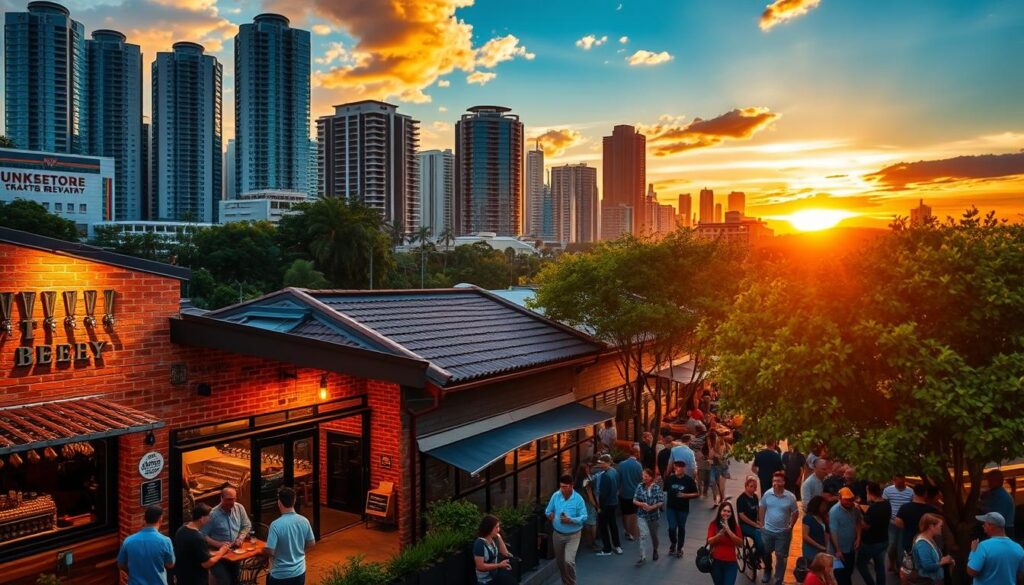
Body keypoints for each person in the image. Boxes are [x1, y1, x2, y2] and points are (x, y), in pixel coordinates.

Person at [201, 485, 253, 585]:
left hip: (234, 552)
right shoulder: (212, 514)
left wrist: (240, 537)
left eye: (233, 499)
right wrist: (218, 544)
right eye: (229, 500)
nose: (231, 502)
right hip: (217, 554)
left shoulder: (239, 508)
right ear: (221, 498)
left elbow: (246, 525)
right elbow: (203, 535)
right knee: (225, 581)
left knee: (235, 579)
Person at [263, 487, 315, 585]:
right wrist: (298, 551)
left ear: (279, 502)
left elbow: (270, 550)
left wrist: (262, 550)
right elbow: (311, 543)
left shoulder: (275, 525)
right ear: (294, 501)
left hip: (280, 575)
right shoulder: (304, 521)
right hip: (299, 571)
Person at [545, 473, 588, 585]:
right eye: (561, 486)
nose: (562, 489)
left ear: (571, 486)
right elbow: (548, 510)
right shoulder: (556, 495)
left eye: (565, 487)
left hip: (573, 535)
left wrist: (571, 520)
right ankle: (566, 583)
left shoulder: (578, 499)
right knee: (560, 563)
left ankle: (572, 583)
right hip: (557, 534)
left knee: (568, 561)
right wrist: (550, 515)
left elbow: (584, 516)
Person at [117, 505, 175, 585]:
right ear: (160, 519)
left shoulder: (128, 541)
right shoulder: (165, 541)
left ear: (144, 520)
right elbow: (170, 564)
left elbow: (120, 564)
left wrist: (131, 573)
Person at [173, 503, 230, 585]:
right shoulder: (198, 537)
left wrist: (213, 553)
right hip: (196, 580)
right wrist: (221, 552)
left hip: (182, 578)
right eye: (209, 516)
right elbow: (206, 564)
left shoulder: (181, 530)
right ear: (202, 518)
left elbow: (192, 553)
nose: (210, 518)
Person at [759, 471, 799, 585]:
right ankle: (767, 570)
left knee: (781, 557)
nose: (776, 483)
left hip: (783, 533)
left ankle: (778, 578)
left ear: (784, 482)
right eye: (774, 480)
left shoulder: (790, 497)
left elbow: (795, 512)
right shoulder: (767, 494)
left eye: (778, 481)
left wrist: (791, 526)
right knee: (766, 553)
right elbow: (762, 508)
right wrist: (762, 525)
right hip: (768, 530)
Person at [968, 511, 1024, 584]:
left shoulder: (983, 546)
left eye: (985, 524)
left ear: (991, 526)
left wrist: (973, 552)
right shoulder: (1018, 548)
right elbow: (1021, 575)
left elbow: (971, 572)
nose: (983, 526)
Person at [856, 482, 891, 585]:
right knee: (879, 566)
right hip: (883, 540)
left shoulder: (874, 508)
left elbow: (865, 526)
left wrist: (859, 513)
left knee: (861, 564)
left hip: (871, 543)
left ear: (869, 492)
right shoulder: (886, 504)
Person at [663, 459, 699, 558]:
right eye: (675, 467)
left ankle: (680, 548)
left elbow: (696, 493)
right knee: (672, 528)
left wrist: (685, 495)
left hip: (683, 508)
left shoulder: (689, 480)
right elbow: (664, 490)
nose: (676, 469)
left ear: (683, 468)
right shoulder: (670, 479)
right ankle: (673, 542)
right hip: (671, 507)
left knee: (681, 527)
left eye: (678, 467)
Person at [829, 487, 862, 585]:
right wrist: (838, 550)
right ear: (840, 498)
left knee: (848, 573)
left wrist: (858, 538)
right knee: (839, 575)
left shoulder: (854, 509)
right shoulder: (834, 511)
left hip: (850, 548)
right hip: (838, 551)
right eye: (846, 500)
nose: (849, 502)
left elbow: (858, 522)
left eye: (851, 500)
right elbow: (833, 532)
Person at [909, 513, 953, 585]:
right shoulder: (922, 544)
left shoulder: (930, 538)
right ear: (931, 526)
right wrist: (943, 562)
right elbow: (927, 566)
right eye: (940, 526)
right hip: (928, 581)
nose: (941, 529)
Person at [632, 468, 665, 565]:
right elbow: (634, 500)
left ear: (651, 477)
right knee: (643, 535)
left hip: (653, 516)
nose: (644, 478)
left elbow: (661, 501)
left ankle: (655, 550)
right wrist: (642, 504)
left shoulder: (656, 488)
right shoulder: (640, 486)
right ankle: (642, 556)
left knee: (654, 535)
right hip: (642, 515)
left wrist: (652, 507)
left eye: (646, 476)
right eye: (643, 476)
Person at [707, 501, 743, 585]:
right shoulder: (713, 524)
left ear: (731, 513)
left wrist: (728, 530)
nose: (726, 513)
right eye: (724, 510)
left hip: (731, 563)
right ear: (720, 512)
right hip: (716, 562)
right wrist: (719, 534)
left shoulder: (735, 526)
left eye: (728, 511)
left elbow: (740, 544)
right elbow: (709, 541)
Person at [896, 483, 937, 556]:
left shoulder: (905, 507)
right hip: (926, 541)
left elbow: (898, 522)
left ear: (914, 493)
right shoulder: (931, 509)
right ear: (925, 494)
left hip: (909, 540)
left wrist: (906, 526)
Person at [882, 474, 913, 571]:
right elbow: (885, 505)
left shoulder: (910, 491)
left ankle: (900, 567)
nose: (900, 483)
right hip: (892, 523)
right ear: (894, 480)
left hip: (904, 523)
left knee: (901, 547)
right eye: (898, 482)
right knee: (891, 545)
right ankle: (892, 561)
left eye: (902, 481)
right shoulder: (888, 491)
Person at [473, 514, 515, 585]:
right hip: (485, 581)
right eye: (496, 527)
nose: (498, 529)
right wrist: (499, 565)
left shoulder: (494, 539)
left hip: (495, 577)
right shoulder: (479, 543)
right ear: (489, 528)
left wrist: (499, 537)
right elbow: (480, 566)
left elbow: (505, 553)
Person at [594, 454, 623, 556]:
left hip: (606, 505)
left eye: (602, 463)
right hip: (614, 502)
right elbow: (618, 486)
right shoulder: (614, 471)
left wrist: (599, 507)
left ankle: (607, 549)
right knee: (613, 524)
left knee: (603, 527)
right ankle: (617, 545)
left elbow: (603, 495)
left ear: (608, 463)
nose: (600, 465)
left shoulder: (605, 476)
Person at [736, 476, 765, 563]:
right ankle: (755, 557)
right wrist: (755, 524)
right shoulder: (741, 499)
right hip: (745, 525)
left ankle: (755, 555)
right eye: (751, 486)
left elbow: (758, 509)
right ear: (746, 486)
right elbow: (742, 516)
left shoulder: (755, 497)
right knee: (759, 537)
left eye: (755, 487)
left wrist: (760, 521)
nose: (753, 489)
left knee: (765, 536)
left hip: (754, 522)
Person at [981, 469, 1016, 540]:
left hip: (1003, 530)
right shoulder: (994, 493)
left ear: (995, 481)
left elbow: (996, 518)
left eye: (989, 480)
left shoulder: (1001, 497)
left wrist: (981, 507)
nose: (988, 483)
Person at [618, 448, 644, 541]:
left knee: (625, 513)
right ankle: (631, 533)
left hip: (623, 492)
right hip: (634, 493)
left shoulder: (621, 464)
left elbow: (619, 478)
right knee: (633, 514)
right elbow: (641, 479)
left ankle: (626, 530)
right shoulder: (638, 465)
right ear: (636, 454)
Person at [573, 462, 599, 551]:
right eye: (587, 468)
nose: (589, 470)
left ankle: (588, 542)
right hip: (588, 503)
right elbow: (590, 495)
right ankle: (592, 543)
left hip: (581, 504)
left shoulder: (577, 481)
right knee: (592, 523)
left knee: (586, 523)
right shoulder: (586, 481)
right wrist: (596, 506)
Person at [802, 495, 830, 565]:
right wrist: (819, 546)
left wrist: (826, 547)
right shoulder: (808, 518)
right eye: (823, 505)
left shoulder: (823, 518)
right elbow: (805, 536)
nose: (825, 508)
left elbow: (826, 533)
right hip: (811, 551)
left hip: (822, 550)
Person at [707, 431, 729, 507]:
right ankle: (717, 499)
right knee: (714, 482)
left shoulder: (725, 445)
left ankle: (722, 498)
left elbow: (727, 456)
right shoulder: (712, 448)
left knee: (721, 486)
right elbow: (710, 458)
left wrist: (720, 456)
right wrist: (711, 457)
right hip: (715, 467)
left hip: (723, 467)